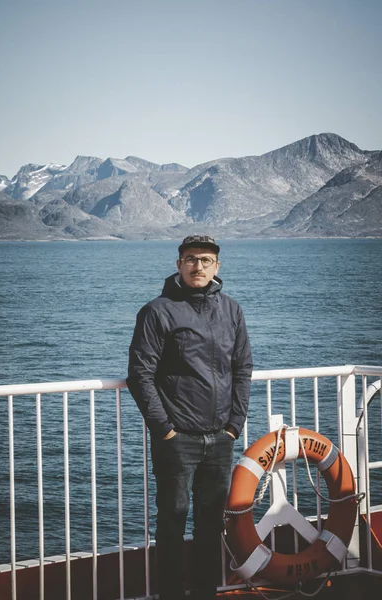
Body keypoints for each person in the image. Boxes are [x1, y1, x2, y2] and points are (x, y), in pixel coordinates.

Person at [127, 234, 252, 600]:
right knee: (172, 522)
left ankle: (203, 593)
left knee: (210, 525)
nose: (199, 266)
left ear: (217, 267)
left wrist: (234, 425)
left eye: (206, 260)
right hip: (177, 439)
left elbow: (242, 368)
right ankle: (169, 594)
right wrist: (163, 429)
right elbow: (140, 373)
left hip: (220, 438)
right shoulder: (158, 311)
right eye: (191, 259)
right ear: (179, 264)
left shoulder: (231, 310)